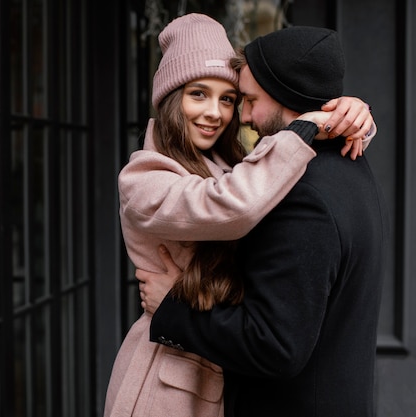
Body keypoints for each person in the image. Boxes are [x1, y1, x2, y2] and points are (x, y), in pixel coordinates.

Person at [105, 14, 376, 417]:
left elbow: (263, 180)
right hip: (168, 379)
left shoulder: (231, 165)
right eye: (198, 94)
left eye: (229, 99)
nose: (216, 112)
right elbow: (231, 204)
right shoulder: (143, 179)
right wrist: (303, 128)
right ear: (169, 98)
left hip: (217, 367)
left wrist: (349, 120)